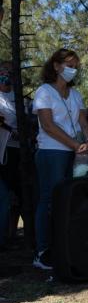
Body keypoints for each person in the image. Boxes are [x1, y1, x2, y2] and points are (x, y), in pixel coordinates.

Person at [32, 49, 88, 269]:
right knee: (49, 199)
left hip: (77, 155)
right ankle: (42, 251)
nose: (73, 70)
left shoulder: (76, 94)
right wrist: (75, 144)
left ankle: (65, 246)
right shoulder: (44, 91)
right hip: (52, 152)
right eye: (69, 64)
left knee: (72, 200)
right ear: (56, 66)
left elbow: (83, 121)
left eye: (76, 66)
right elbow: (48, 126)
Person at [0, 63, 20, 249]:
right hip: (3, 149)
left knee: (14, 194)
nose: (6, 76)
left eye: (10, 73)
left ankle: (11, 234)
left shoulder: (18, 97)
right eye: (2, 73)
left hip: (18, 151)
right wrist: (9, 130)